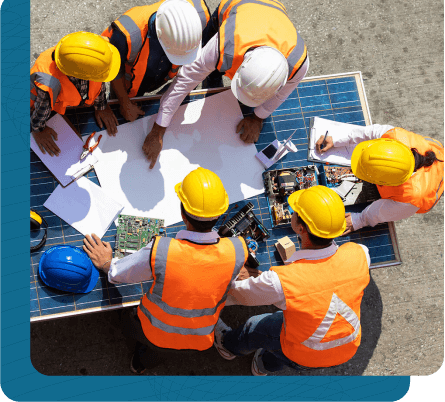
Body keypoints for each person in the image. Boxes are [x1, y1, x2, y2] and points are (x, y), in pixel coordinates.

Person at [82, 167, 249, 374]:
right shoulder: (237, 250)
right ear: (220, 214)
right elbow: (239, 277)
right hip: (201, 338)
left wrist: (107, 263)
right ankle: (141, 364)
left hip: (154, 331)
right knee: (162, 353)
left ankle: (139, 361)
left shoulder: (162, 250)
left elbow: (118, 274)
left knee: (131, 324)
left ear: (182, 213)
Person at [213, 185, 371, 375]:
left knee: (256, 327)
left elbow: (240, 296)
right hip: (347, 348)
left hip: (304, 351)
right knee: (283, 354)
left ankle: (227, 346)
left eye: (294, 212)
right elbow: (324, 281)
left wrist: (232, 279)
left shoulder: (283, 282)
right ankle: (263, 366)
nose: (291, 214)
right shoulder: (360, 253)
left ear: (301, 228)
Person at [143, 0, 310, 169]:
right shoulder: (225, 45)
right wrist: (158, 130)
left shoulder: (298, 64)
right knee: (211, 67)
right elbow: (187, 78)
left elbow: (279, 96)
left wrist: (257, 118)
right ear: (241, 66)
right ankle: (212, 81)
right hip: (239, 3)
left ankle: (213, 89)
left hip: (276, 15)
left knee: (216, 69)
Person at [101, 0, 210, 144]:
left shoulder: (200, 18)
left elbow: (196, 67)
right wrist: (124, 103)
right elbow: (114, 70)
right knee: (123, 118)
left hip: (161, 77)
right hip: (127, 84)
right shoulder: (126, 35)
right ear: (159, 36)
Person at [315, 125, 444, 234]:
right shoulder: (396, 136)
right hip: (435, 150)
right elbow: (368, 132)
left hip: (430, 186)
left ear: (384, 182)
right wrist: (337, 139)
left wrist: (359, 220)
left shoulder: (412, 198)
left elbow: (381, 212)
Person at [31, 31, 121, 156]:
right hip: (36, 107)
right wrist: (38, 129)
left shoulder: (95, 53)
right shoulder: (48, 85)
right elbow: (41, 108)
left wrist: (101, 106)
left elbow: (97, 81)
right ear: (82, 75)